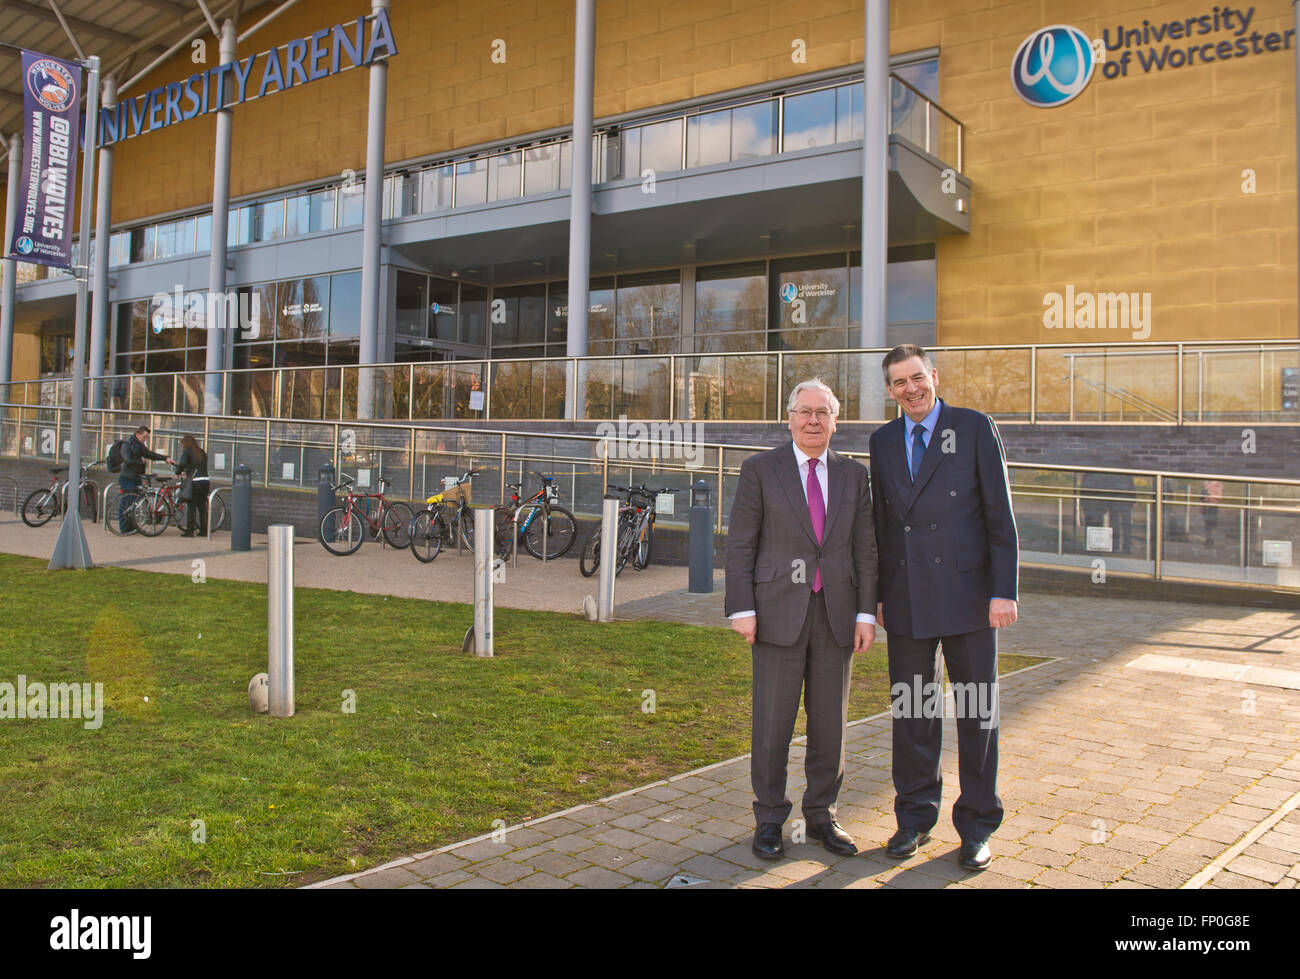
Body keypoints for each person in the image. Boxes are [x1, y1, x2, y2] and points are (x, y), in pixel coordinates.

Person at [869, 345, 1018, 872]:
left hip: (970, 597)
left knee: (977, 714)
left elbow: (1000, 513)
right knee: (913, 712)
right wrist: (878, 594)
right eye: (899, 382)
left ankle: (977, 826)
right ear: (890, 390)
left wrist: (1004, 590)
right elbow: (883, 524)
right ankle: (913, 818)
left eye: (917, 377)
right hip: (907, 596)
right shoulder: (883, 440)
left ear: (933, 376)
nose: (910, 389)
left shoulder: (973, 427)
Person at [725, 379, 877, 861]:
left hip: (837, 614)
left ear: (836, 421)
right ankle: (770, 817)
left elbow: (866, 549)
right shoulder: (760, 469)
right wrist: (742, 608)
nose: (814, 420)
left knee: (830, 723)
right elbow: (741, 543)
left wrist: (865, 613)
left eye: (823, 412)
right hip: (775, 613)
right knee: (773, 722)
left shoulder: (854, 475)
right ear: (789, 419)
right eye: (805, 411)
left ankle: (822, 815)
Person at [118, 425, 173, 533]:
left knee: (134, 503)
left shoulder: (139, 445)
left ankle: (131, 526)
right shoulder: (127, 445)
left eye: (146, 437)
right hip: (127, 477)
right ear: (137, 435)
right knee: (126, 502)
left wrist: (165, 458)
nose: (145, 439)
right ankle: (124, 527)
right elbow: (128, 460)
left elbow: (149, 454)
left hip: (136, 477)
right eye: (144, 437)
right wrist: (140, 461)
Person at [174, 434, 210, 537]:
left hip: (195, 482)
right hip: (205, 481)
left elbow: (182, 464)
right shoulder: (201, 452)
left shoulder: (187, 451)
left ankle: (189, 531)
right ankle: (204, 530)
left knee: (191, 506)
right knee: (202, 507)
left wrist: (177, 472)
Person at [1201, 479, 1223, 546]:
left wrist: (1211, 497)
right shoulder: (1205, 481)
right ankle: (1208, 538)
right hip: (1206, 506)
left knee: (1212, 523)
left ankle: (1211, 538)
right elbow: (1202, 494)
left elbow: (1220, 496)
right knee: (1207, 523)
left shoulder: (1218, 483)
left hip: (1213, 506)